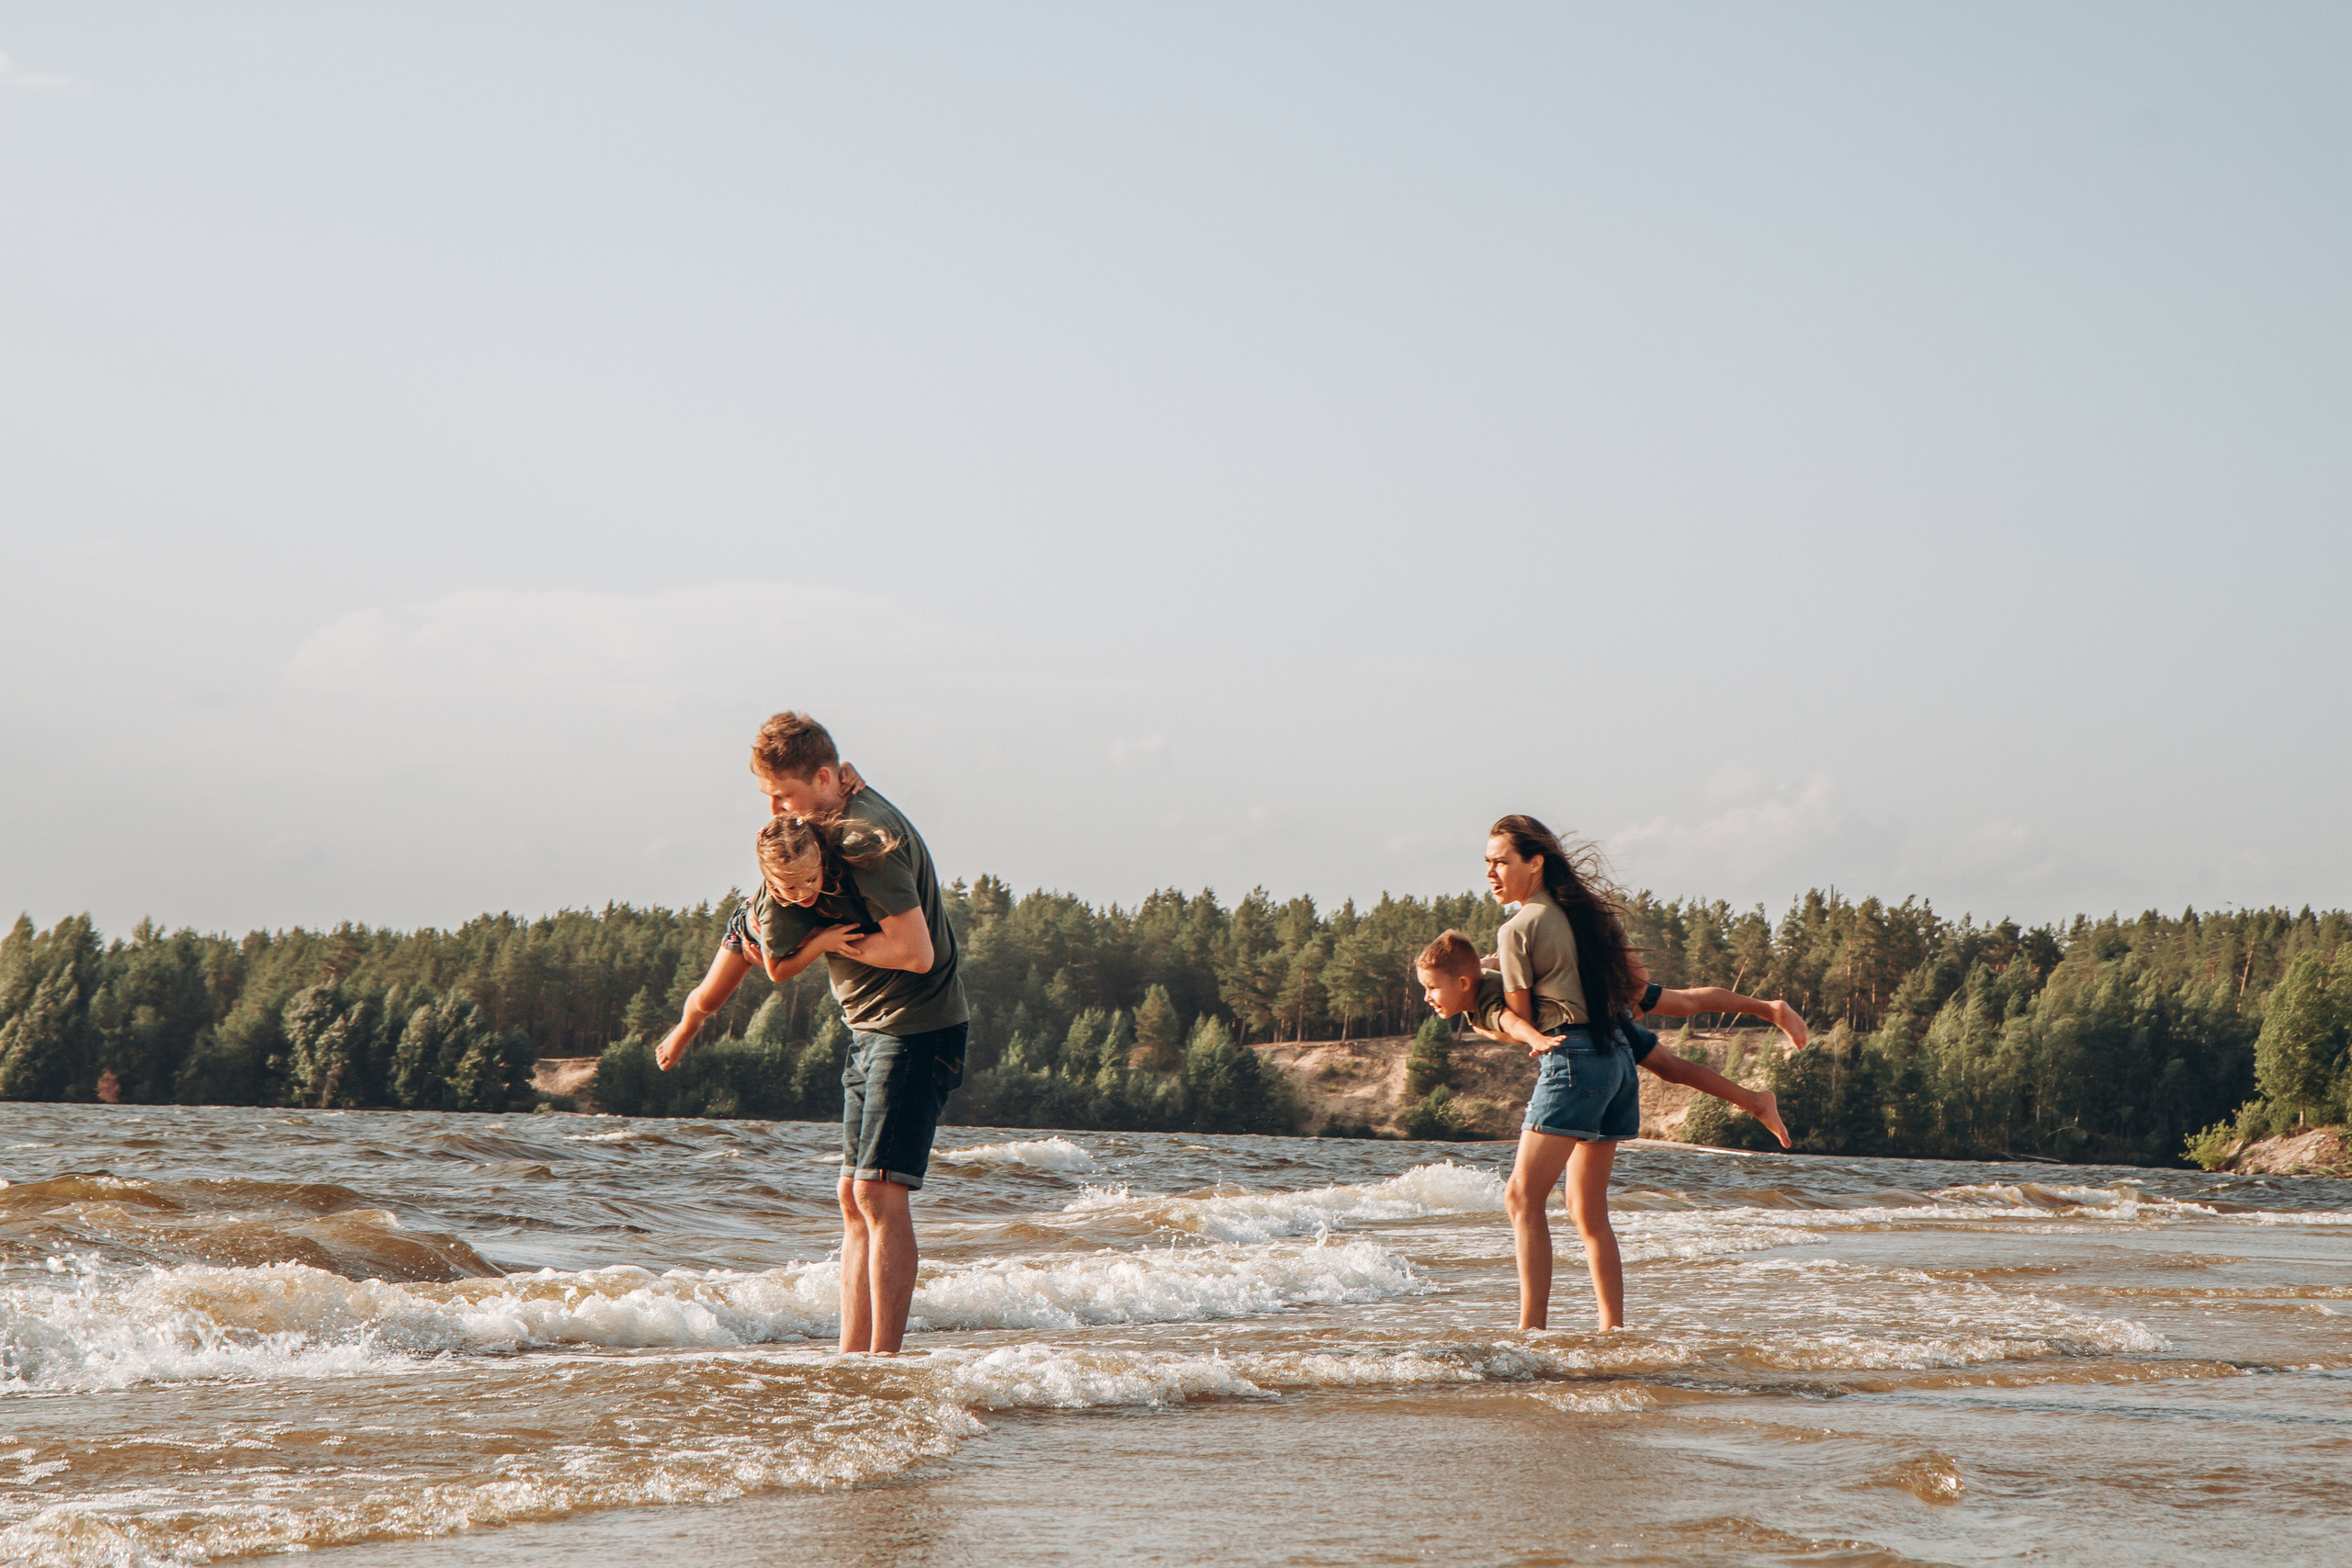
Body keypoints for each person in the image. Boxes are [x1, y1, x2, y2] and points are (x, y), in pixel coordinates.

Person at [1468, 813, 1808, 1334]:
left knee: (1522, 1197)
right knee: (1587, 1211)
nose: (1490, 872)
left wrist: (1487, 1004)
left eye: (1500, 862)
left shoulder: (1516, 929)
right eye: (1486, 863)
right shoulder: (1590, 915)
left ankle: (1531, 1334)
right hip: (1616, 1059)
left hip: (1574, 1060)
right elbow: (1641, 988)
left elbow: (1526, 1021)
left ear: (1534, 864)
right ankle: (1612, 1330)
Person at [741, 711, 967, 1356]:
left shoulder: (867, 839)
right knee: (852, 1194)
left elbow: (917, 951)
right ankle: (851, 1359)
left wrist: (822, 941)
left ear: (823, 777)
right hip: (872, 1029)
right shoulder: (832, 814)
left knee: (876, 1190)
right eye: (767, 799)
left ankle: (883, 1364)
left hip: (917, 1027)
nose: (774, 811)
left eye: (782, 795)